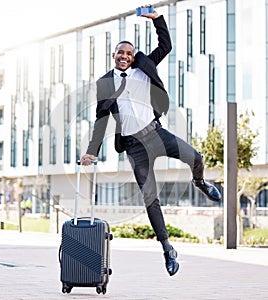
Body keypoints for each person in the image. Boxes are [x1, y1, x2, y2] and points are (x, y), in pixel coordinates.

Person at [80, 7, 222, 277]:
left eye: (128, 53)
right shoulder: (105, 83)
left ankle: (200, 181)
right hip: (134, 147)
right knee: (150, 198)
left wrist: (157, 18)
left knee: (197, 158)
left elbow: (165, 45)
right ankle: (168, 249)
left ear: (133, 57)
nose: (124, 56)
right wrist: (91, 152)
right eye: (120, 52)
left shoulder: (144, 67)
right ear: (114, 56)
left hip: (157, 133)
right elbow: (101, 119)